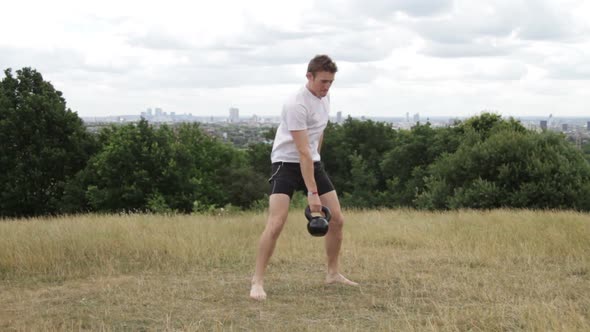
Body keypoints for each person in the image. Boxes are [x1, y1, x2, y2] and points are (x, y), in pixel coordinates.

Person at [250, 54, 358, 301]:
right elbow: (301, 152)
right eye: (323, 81)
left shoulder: (325, 97)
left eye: (331, 82)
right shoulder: (296, 104)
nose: (327, 86)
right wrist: (312, 195)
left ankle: (332, 274)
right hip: (286, 163)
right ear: (309, 76)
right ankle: (257, 281)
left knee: (338, 220)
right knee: (276, 222)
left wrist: (318, 158)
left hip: (313, 160)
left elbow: (316, 137)